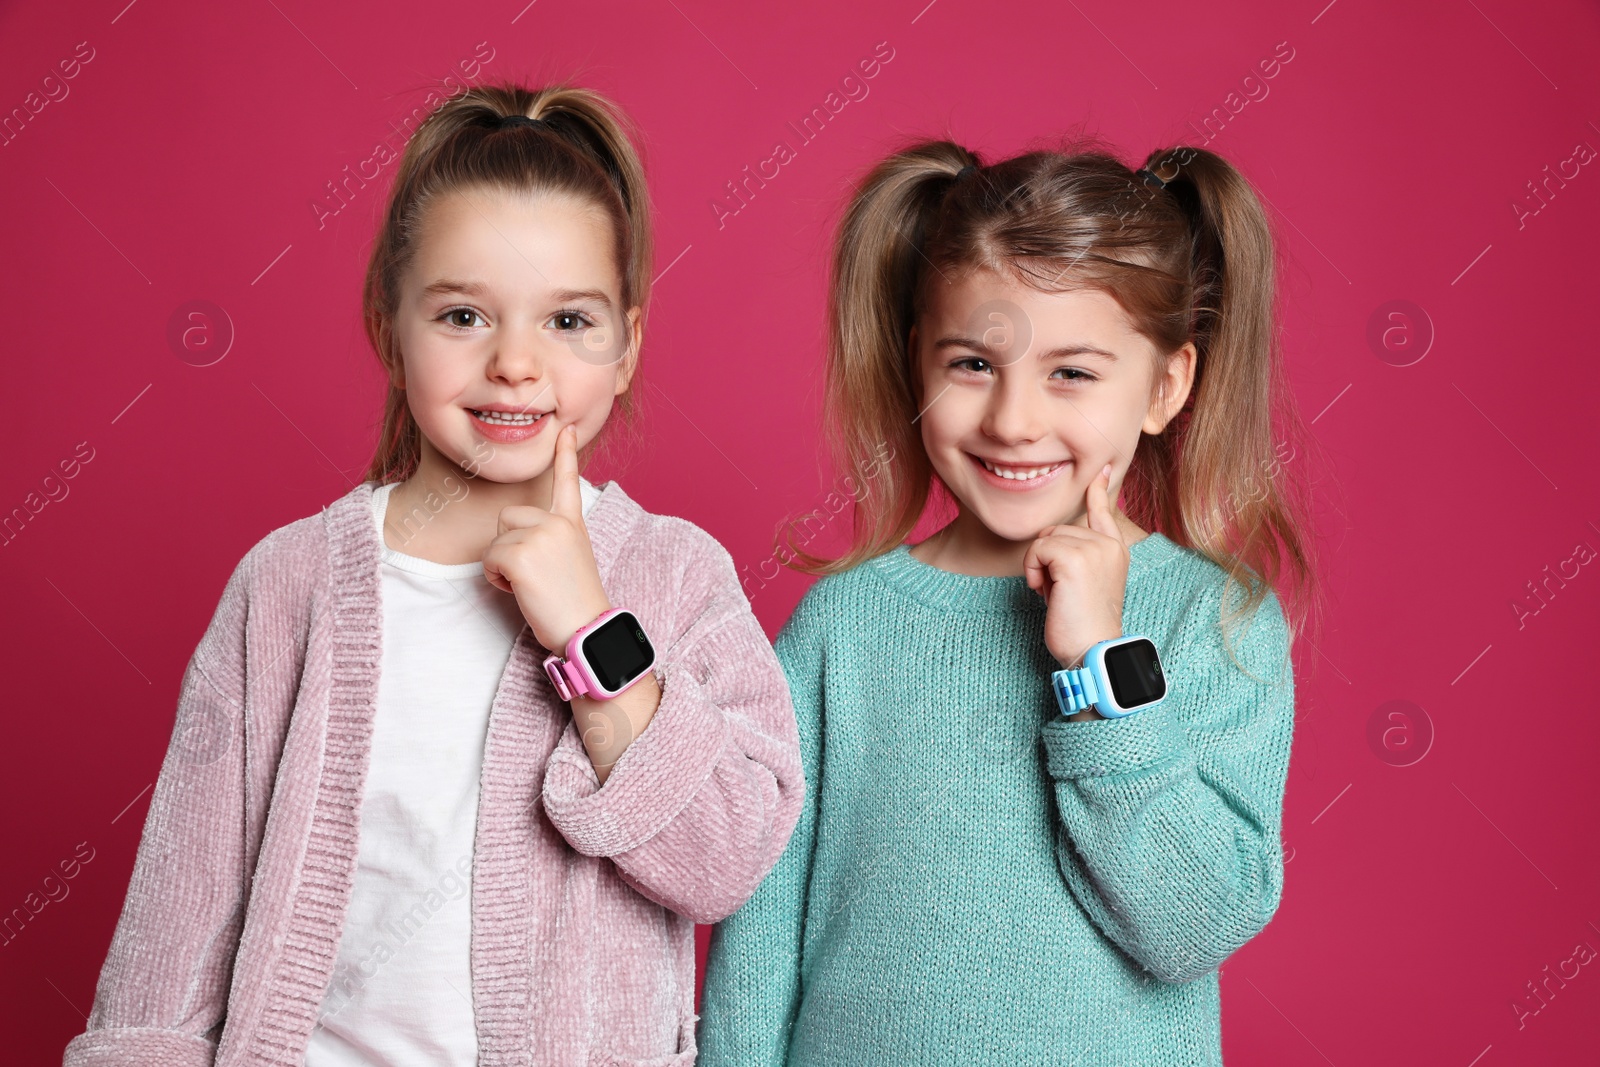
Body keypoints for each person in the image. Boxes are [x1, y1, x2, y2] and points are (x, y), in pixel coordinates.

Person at [63, 81, 803, 1067]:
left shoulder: (676, 573)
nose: (515, 363)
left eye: (568, 321)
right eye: (463, 315)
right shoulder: (287, 584)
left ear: (626, 344)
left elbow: (725, 859)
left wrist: (587, 625)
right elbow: (180, 909)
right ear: (388, 325)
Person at [697, 137, 1325, 1066]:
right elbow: (759, 947)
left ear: (1164, 386)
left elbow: (1193, 924)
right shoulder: (843, 627)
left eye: (1072, 371)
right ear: (918, 360)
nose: (1013, 420)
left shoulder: (1212, 622)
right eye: (972, 364)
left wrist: (1102, 666)